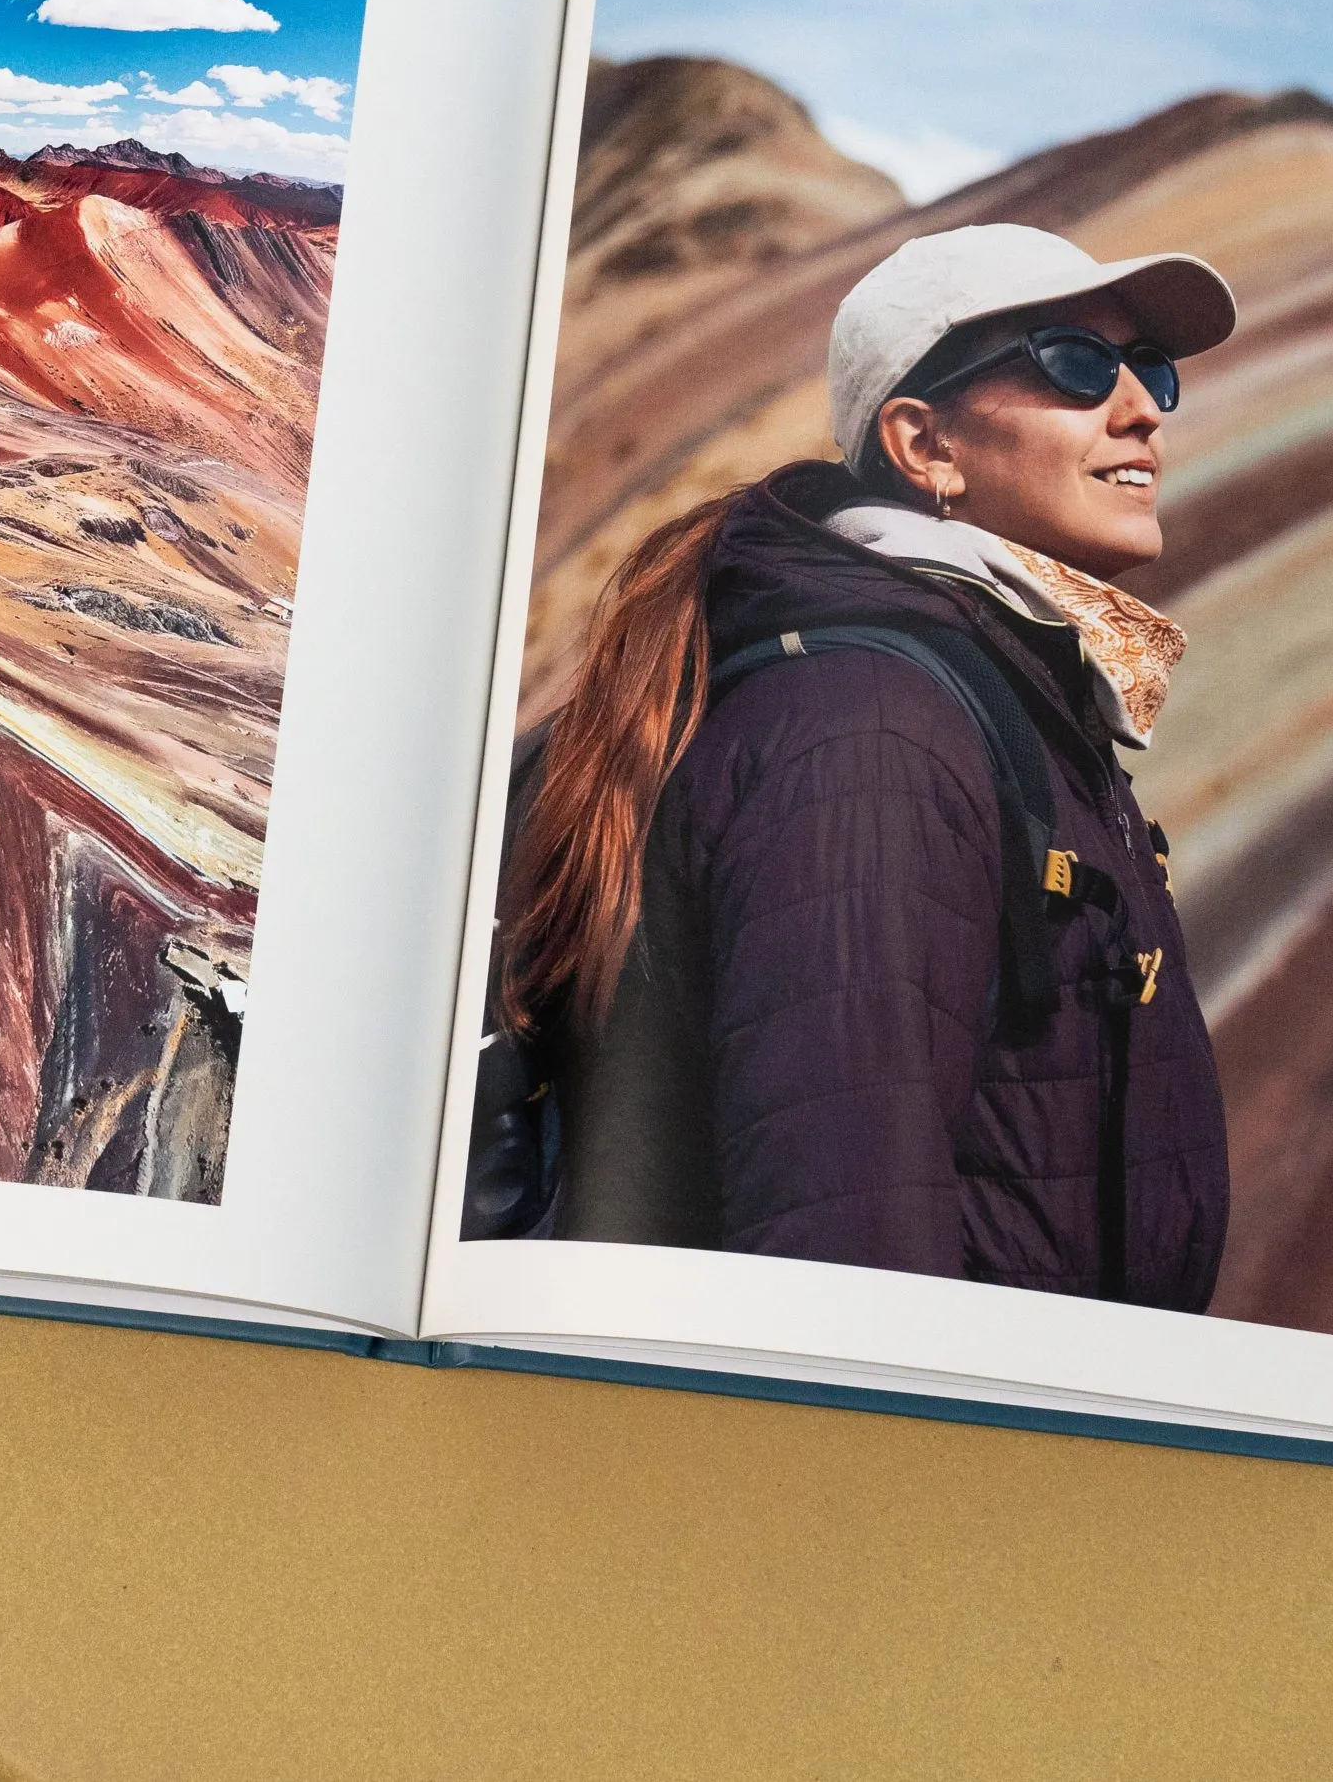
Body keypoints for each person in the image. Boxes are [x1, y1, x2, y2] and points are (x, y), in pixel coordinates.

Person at [497, 221, 1236, 1307]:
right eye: (1075, 365)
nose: (1141, 411)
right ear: (923, 446)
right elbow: (840, 1235)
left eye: (1149, 370)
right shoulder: (872, 731)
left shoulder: (998, 688)